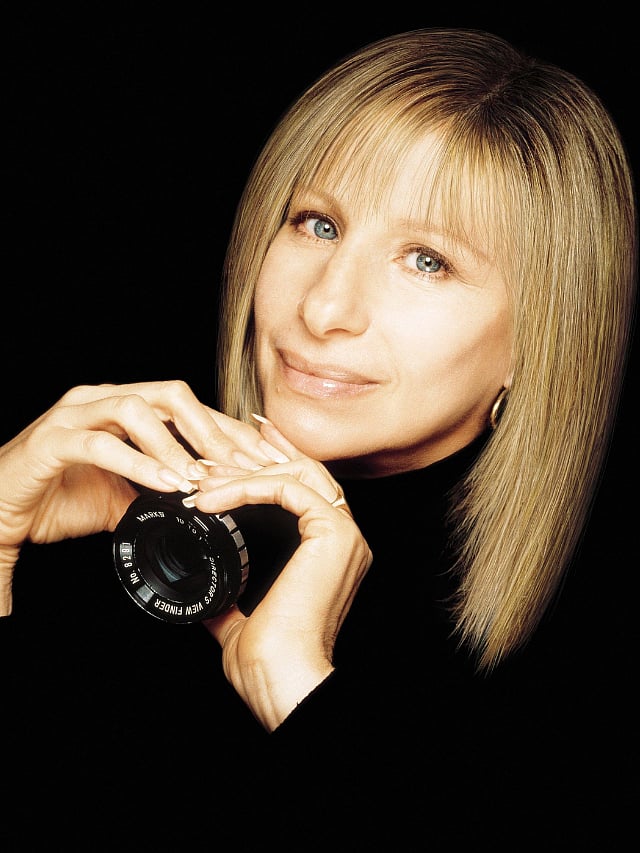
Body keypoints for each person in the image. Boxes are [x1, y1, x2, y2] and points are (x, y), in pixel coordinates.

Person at [2, 27, 636, 848]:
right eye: (318, 224)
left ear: (543, 338)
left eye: (427, 261)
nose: (324, 307)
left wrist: (293, 686)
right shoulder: (125, 503)